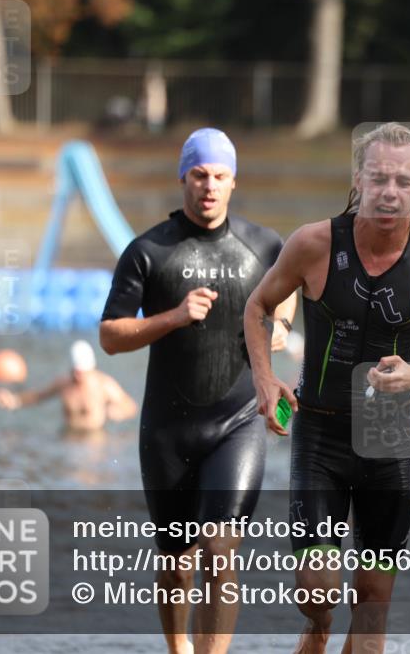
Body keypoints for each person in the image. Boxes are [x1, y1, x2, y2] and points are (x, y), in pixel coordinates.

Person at [243, 122, 410, 654]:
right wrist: (265, 378)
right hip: (320, 434)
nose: (390, 192)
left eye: (402, 181)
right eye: (378, 179)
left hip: (389, 438)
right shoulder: (314, 243)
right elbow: (257, 306)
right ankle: (318, 630)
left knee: (373, 606)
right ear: (358, 180)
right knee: (319, 595)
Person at [99, 127, 296, 654]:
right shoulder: (147, 251)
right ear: (183, 178)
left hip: (238, 421)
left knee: (219, 545)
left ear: (234, 182)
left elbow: (289, 289)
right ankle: (178, 648)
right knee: (176, 561)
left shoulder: (265, 244)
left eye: (220, 176)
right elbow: (111, 336)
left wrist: (282, 327)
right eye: (199, 175)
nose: (209, 186)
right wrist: (174, 316)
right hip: (167, 427)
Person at [0, 340, 136, 438]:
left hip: (93, 442)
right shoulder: (65, 383)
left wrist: (119, 412)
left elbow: (131, 407)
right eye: (75, 372)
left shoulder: (104, 385)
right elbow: (38, 396)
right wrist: (14, 401)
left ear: (91, 368)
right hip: (68, 438)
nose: (77, 377)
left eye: (81, 373)